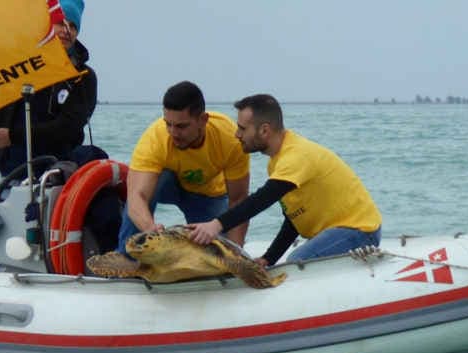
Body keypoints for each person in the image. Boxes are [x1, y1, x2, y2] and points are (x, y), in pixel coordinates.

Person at [189, 94, 382, 266]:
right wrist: (268, 258)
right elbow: (294, 218)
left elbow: (261, 200)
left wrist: (216, 225)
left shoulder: (295, 156)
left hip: (360, 231)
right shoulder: (278, 161)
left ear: (264, 130)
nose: (237, 134)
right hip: (339, 231)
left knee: (297, 261)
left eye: (242, 128)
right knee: (295, 261)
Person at [97, 81, 250, 266]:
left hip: (208, 195)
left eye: (181, 126)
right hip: (167, 186)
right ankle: (127, 260)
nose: (173, 132)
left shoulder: (230, 138)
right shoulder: (155, 139)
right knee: (148, 183)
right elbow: (137, 196)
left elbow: (238, 200)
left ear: (203, 120)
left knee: (219, 255)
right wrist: (150, 230)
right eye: (168, 124)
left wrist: (235, 255)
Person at [0, 0, 97, 177]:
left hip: (56, 171)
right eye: (60, 23)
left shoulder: (84, 77)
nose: (66, 30)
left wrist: (13, 136)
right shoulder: (21, 66)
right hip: (11, 169)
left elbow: (68, 127)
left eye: (73, 26)